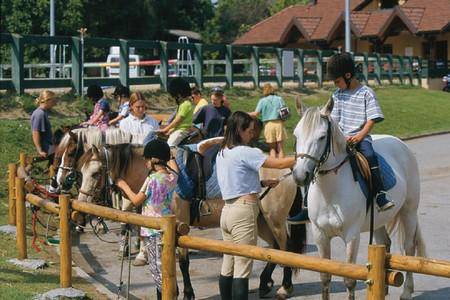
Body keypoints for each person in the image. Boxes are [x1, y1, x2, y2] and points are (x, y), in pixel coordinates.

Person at [288, 52, 394, 224]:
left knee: (370, 155)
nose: (336, 85)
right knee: (314, 161)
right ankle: (307, 207)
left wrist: (360, 136)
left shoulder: (366, 93)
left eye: (337, 81)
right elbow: (333, 120)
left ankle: (380, 194)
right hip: (339, 139)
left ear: (348, 75)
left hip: (360, 137)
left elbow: (372, 118)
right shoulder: (337, 95)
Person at [216, 111, 296, 300]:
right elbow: (277, 163)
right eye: (250, 131)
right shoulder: (247, 151)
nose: (253, 134)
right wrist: (302, 157)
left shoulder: (223, 152)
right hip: (243, 212)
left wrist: (261, 184)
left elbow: (235, 180)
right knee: (243, 267)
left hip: (227, 211)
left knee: (228, 265)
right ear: (239, 130)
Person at [116, 139, 178, 300]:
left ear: (154, 160)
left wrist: (123, 185)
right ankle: (173, 293)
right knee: (167, 267)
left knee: (157, 271)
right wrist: (170, 156)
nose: (145, 162)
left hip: (152, 230)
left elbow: (136, 200)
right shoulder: (172, 177)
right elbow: (176, 168)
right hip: (167, 229)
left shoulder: (151, 180)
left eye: (147, 159)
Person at [118, 91, 159, 265]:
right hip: (131, 172)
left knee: (146, 209)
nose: (141, 110)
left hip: (148, 170)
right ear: (131, 107)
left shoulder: (152, 123)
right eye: (137, 107)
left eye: (143, 107)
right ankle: (124, 240)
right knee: (126, 207)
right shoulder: (125, 124)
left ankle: (143, 245)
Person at [249, 83, 288, 158]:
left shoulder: (262, 101)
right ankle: (282, 164)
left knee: (272, 148)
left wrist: (246, 113)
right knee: (280, 148)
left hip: (268, 125)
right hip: (279, 124)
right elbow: (285, 113)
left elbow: (255, 113)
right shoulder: (279, 99)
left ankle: (273, 165)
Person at [157, 78, 194, 147]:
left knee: (169, 145)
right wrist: (171, 130)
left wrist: (165, 129)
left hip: (182, 131)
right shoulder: (183, 104)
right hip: (179, 129)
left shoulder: (185, 104)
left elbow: (177, 121)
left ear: (179, 95)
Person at [31, 90, 58, 162]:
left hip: (50, 145)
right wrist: (40, 150)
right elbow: (35, 133)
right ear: (47, 100)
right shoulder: (39, 114)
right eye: (53, 101)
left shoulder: (43, 112)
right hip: (47, 147)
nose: (55, 103)